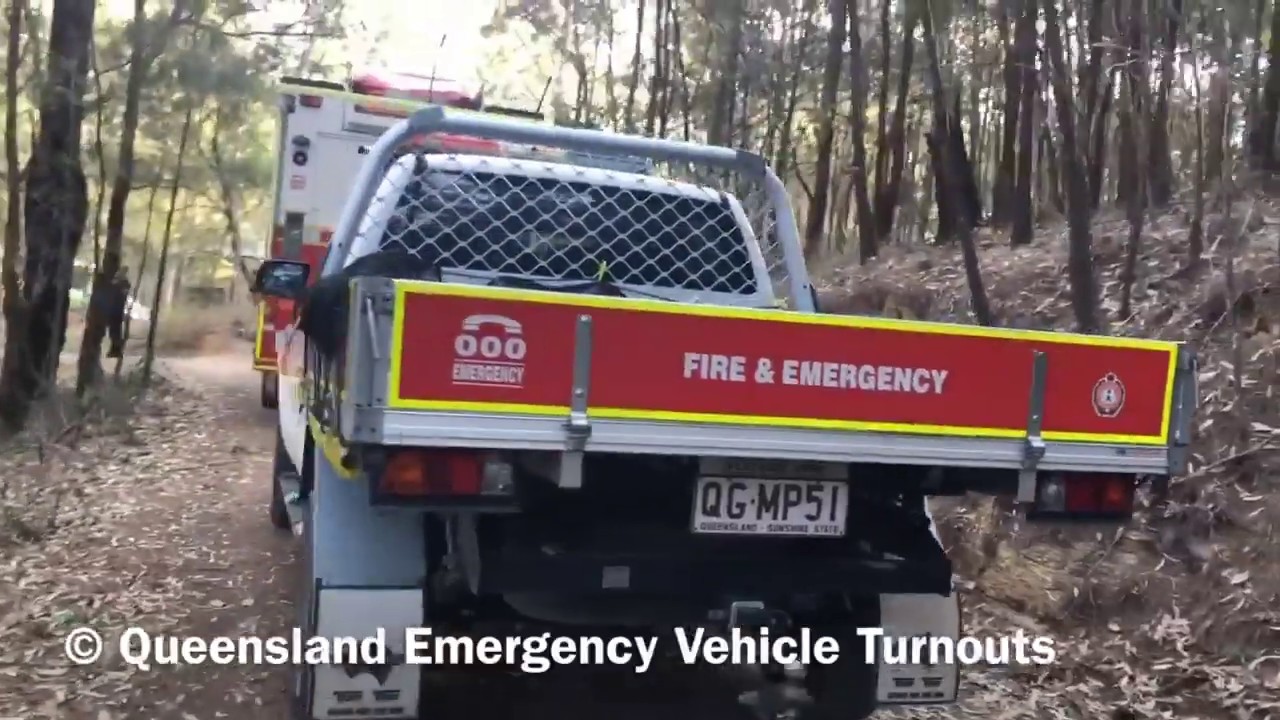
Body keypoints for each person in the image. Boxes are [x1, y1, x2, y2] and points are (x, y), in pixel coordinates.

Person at [105, 266, 131, 359]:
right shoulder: (117, 283)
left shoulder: (124, 283)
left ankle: (117, 350)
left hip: (117, 310)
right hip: (113, 310)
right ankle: (114, 349)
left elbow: (123, 294)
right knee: (113, 331)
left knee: (116, 331)